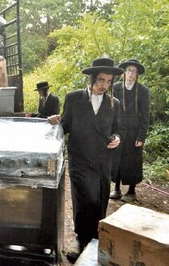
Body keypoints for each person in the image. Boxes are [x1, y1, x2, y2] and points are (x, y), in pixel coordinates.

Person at [47, 57, 123, 262]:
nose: (104, 85)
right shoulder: (74, 98)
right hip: (80, 158)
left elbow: (115, 130)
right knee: (85, 198)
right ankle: (81, 238)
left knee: (100, 199)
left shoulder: (114, 103)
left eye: (108, 81)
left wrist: (117, 139)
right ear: (91, 79)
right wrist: (55, 121)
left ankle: (96, 237)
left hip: (102, 159)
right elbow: (65, 126)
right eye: (100, 80)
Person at [110, 59, 150, 203]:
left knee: (132, 160)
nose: (130, 73)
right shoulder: (116, 87)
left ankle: (132, 191)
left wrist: (141, 135)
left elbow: (145, 115)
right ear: (124, 72)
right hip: (119, 128)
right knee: (117, 158)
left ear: (137, 73)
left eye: (133, 71)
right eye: (128, 70)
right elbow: (111, 109)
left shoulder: (143, 90)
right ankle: (116, 188)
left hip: (134, 129)